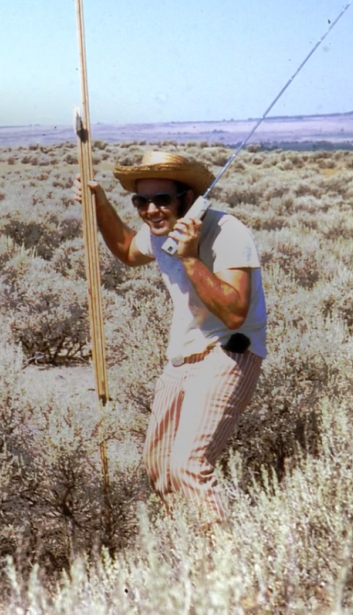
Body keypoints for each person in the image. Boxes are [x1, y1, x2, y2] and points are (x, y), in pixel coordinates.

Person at [75, 151, 267, 520]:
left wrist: (190, 257)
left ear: (189, 199)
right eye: (141, 201)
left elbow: (234, 313)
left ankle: (225, 567)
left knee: (188, 466)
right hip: (181, 358)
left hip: (226, 354)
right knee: (160, 469)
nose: (150, 211)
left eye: (162, 199)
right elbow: (128, 251)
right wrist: (100, 204)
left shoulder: (229, 233)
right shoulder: (159, 232)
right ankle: (191, 551)